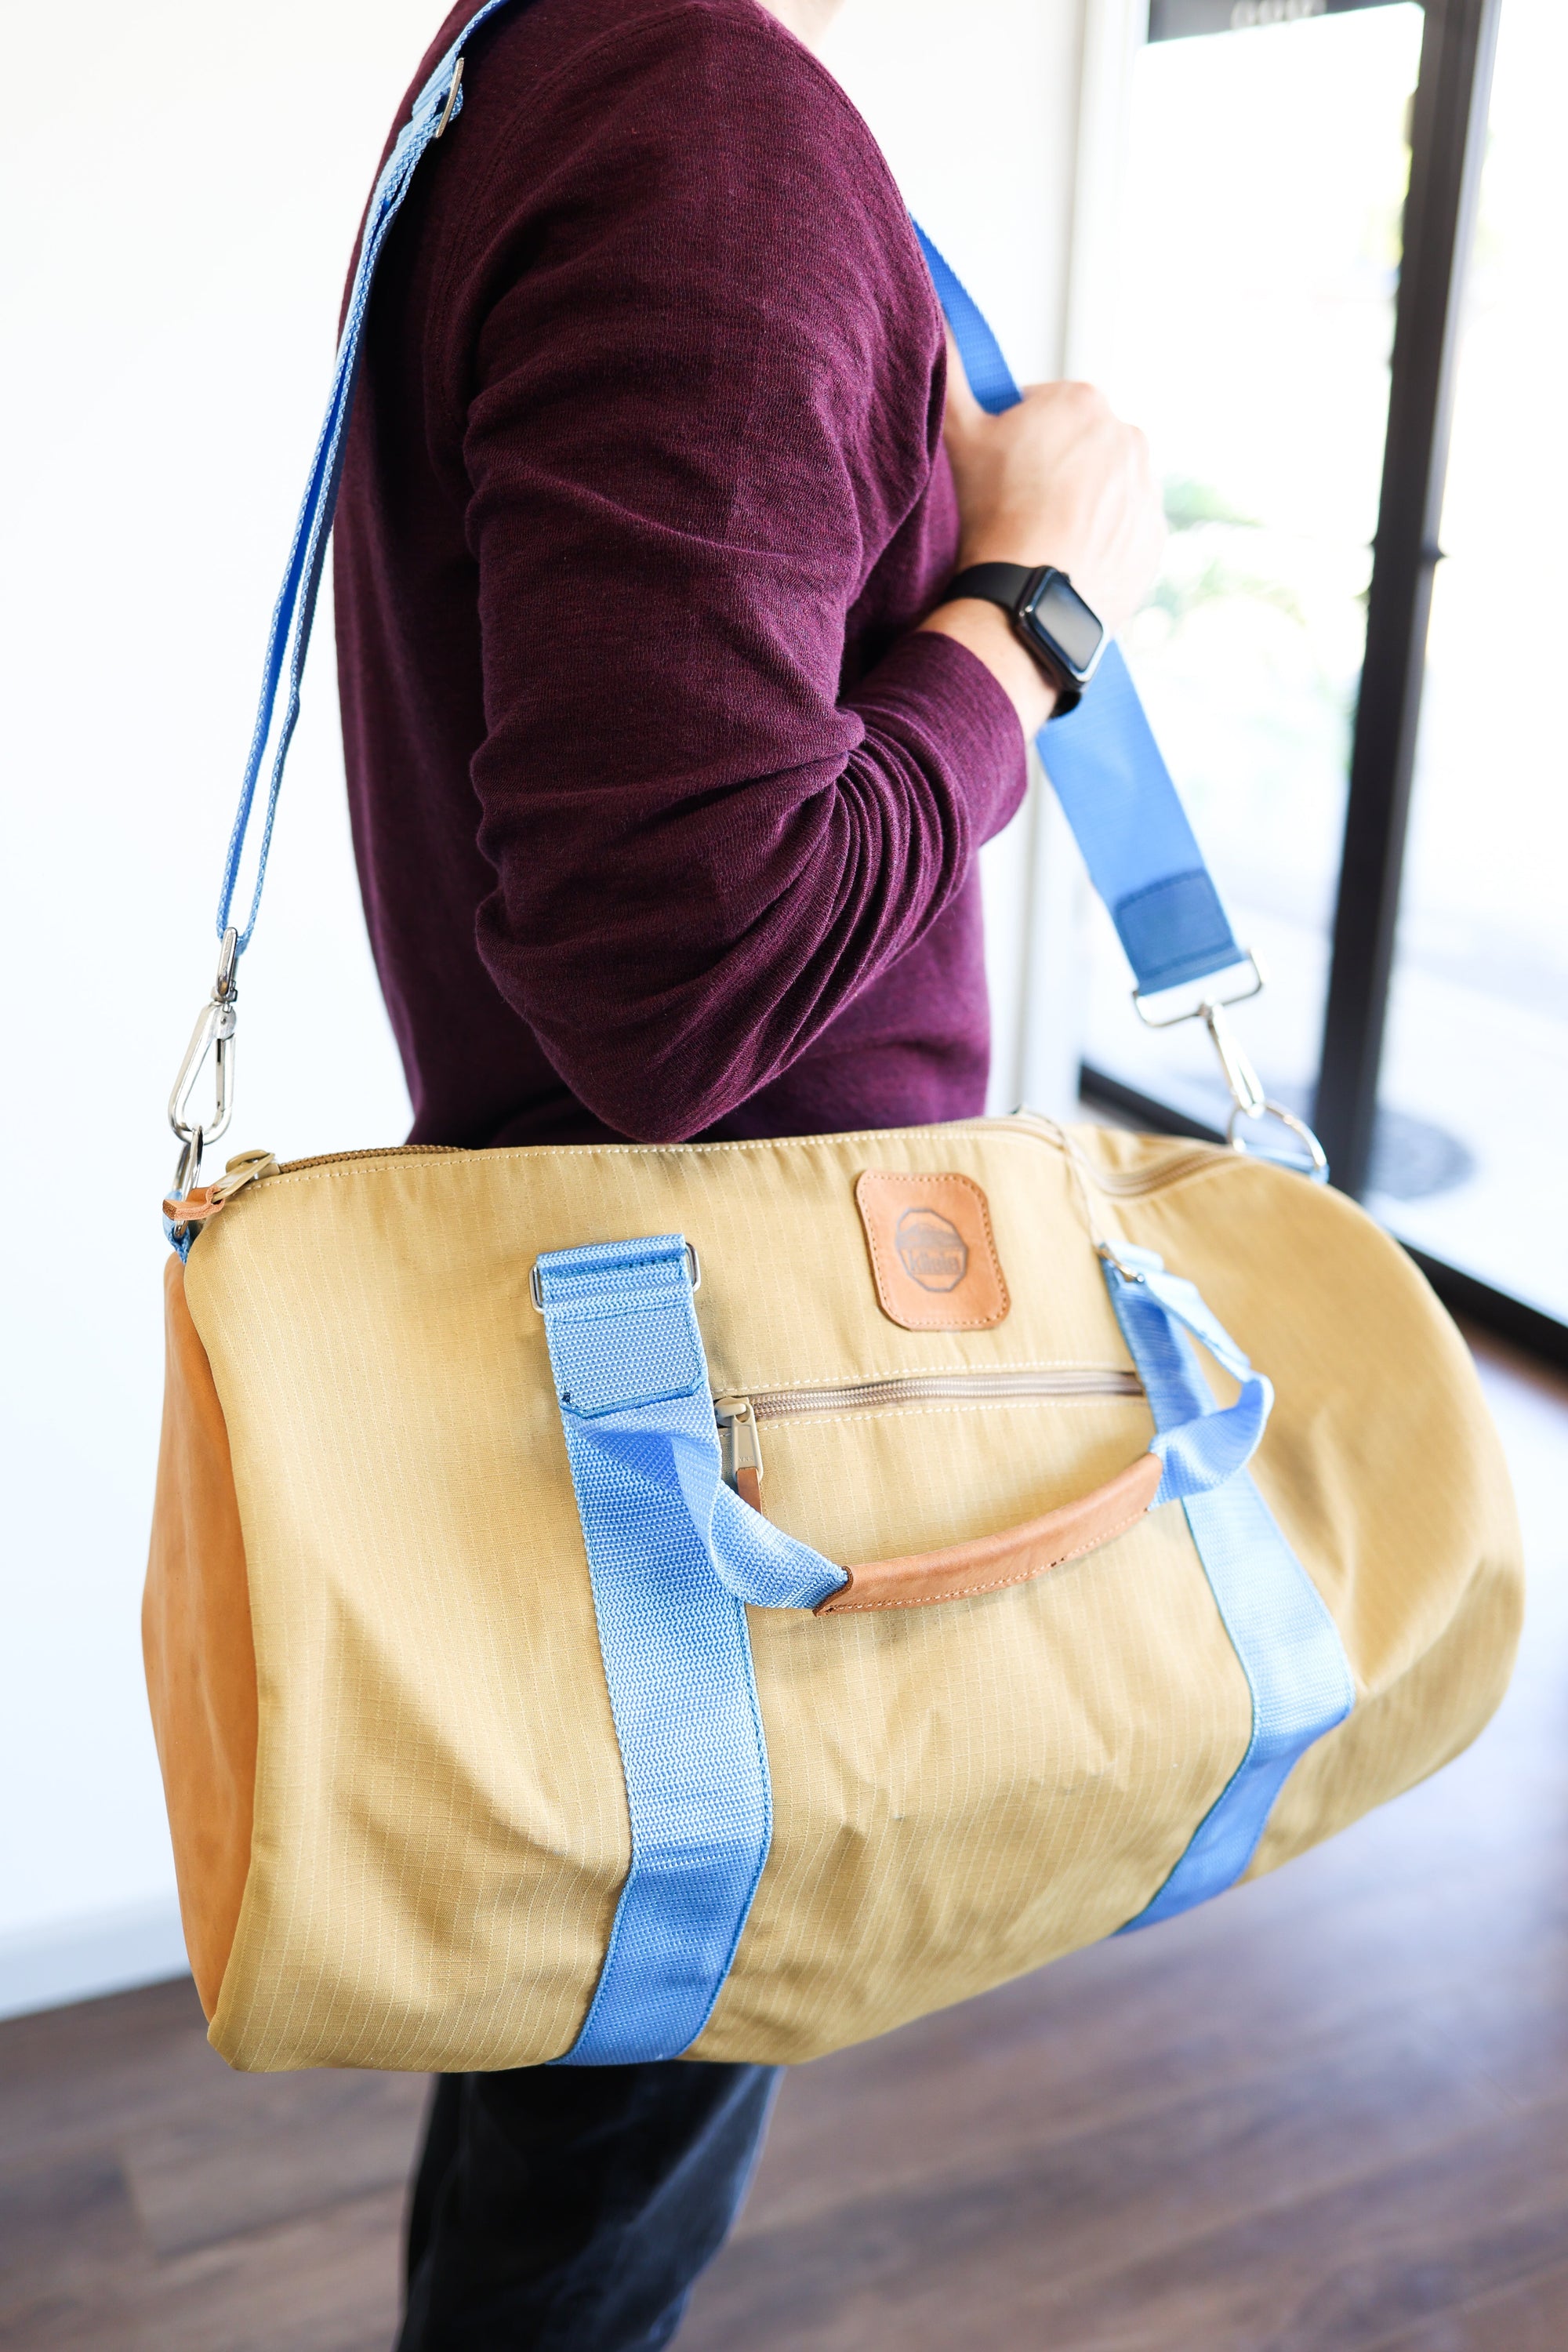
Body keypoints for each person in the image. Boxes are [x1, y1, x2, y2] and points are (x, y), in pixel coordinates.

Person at [333, 0, 1164, 2341]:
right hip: (747, 1417)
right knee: (596, 2200)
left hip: (625, 1354)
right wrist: (1036, 614)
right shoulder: (705, 123)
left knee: (566, 2102)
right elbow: (688, 970)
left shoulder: (521, 65)